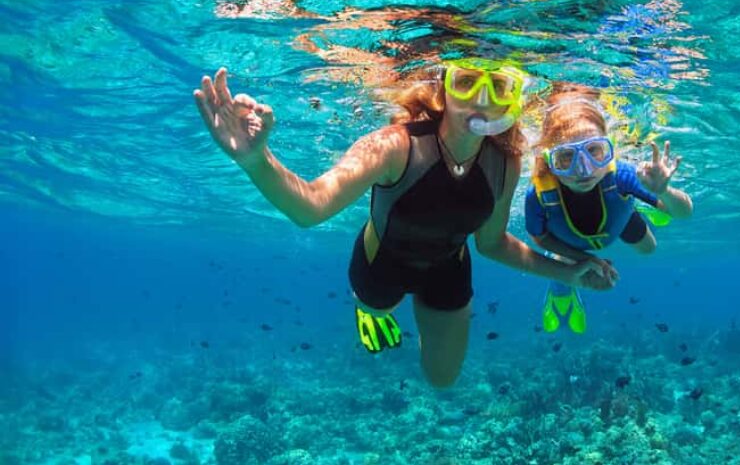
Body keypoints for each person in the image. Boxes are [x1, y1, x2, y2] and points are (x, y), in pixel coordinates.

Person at [193, 59, 617, 387]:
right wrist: (255, 159)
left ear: (510, 98)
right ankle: (370, 312)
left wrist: (570, 272)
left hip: (449, 267)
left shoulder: (505, 162)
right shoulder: (395, 145)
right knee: (377, 306)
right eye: (466, 82)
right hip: (382, 263)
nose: (482, 99)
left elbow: (491, 244)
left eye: (498, 86)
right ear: (443, 90)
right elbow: (311, 207)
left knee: (442, 380)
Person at [524, 89, 693, 334]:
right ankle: (561, 293)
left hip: (618, 219)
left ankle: (647, 202)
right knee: (563, 265)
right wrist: (586, 260)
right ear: (549, 160)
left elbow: (684, 212)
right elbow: (539, 238)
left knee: (649, 248)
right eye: (566, 157)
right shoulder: (538, 194)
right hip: (568, 241)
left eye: (594, 151)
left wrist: (664, 191)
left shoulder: (622, 174)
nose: (583, 169)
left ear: (610, 148)